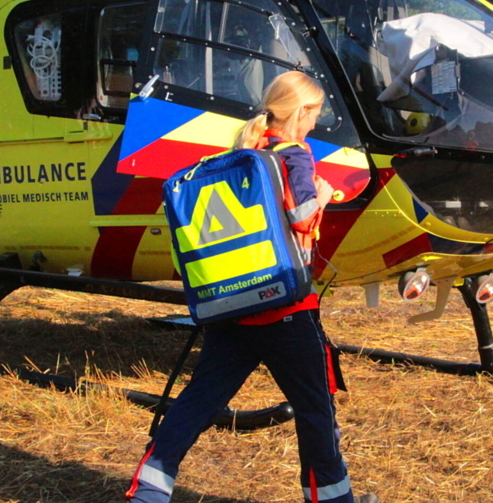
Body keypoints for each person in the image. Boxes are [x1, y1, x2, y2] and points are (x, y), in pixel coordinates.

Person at [127, 71, 378, 503]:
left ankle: (148, 489)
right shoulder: (295, 153)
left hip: (232, 305)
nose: (316, 124)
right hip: (285, 308)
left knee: (198, 402)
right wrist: (321, 193)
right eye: (314, 114)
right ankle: (335, 499)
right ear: (301, 112)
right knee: (316, 409)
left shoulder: (245, 151)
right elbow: (301, 217)